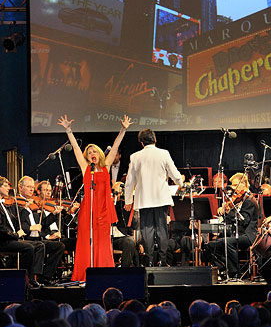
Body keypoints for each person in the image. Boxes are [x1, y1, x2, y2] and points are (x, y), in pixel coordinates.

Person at [58, 113, 133, 281]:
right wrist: (69, 130)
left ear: (99, 154)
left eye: (94, 151)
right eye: (89, 151)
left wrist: (123, 129)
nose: (92, 153)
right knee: (86, 242)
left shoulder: (106, 166)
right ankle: (84, 275)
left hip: (103, 210)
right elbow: (76, 149)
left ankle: (103, 274)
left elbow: (115, 146)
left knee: (102, 243)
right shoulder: (86, 168)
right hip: (88, 209)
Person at [124, 128, 183, 266]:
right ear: (155, 139)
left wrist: (128, 200)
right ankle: (162, 260)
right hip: (161, 198)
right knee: (162, 230)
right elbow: (174, 173)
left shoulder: (135, 156)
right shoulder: (164, 153)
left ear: (141, 142)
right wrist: (180, 183)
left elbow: (129, 181)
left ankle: (149, 261)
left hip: (144, 199)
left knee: (147, 230)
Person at [205, 172, 259, 279]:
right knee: (211, 245)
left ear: (243, 184)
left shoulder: (250, 200)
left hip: (248, 235)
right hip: (236, 234)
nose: (233, 189)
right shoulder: (239, 199)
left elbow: (243, 220)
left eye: (235, 185)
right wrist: (225, 210)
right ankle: (223, 268)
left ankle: (235, 273)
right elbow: (231, 220)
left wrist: (228, 212)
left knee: (227, 242)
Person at [18, 176, 65, 285]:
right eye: (28, 187)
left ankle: (45, 277)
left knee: (59, 246)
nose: (31, 189)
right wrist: (29, 228)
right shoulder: (16, 203)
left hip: (37, 238)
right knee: (40, 246)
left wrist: (53, 214)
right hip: (27, 238)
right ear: (20, 188)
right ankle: (33, 278)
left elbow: (42, 225)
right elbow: (16, 223)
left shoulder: (34, 204)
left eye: (32, 187)